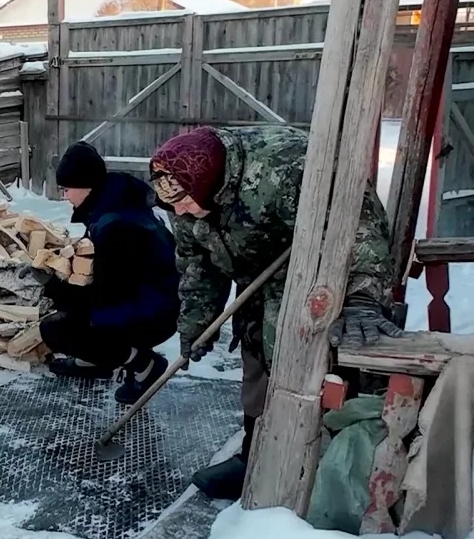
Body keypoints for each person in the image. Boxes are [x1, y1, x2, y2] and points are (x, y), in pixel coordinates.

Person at [150, 125, 401, 501]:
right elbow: (198, 265)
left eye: (184, 202)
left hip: (316, 276)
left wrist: (362, 296)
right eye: (172, 205)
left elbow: (360, 227)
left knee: (317, 368)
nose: (178, 211)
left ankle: (331, 466)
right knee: (257, 356)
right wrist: (195, 327)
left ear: (211, 186)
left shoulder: (286, 166)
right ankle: (256, 458)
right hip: (255, 274)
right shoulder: (180, 194)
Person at [29, 141, 180, 405]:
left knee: (57, 329)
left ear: (84, 185)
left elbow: (105, 293)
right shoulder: (112, 204)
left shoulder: (118, 226)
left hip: (156, 312)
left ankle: (144, 365)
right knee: (74, 315)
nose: (64, 196)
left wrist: (53, 287)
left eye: (66, 189)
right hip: (150, 300)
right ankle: (95, 361)